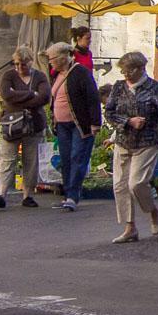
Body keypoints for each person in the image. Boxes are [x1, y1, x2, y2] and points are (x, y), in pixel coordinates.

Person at [104, 51, 158, 243]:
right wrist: (128, 121)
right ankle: (130, 227)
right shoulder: (118, 88)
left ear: (141, 68)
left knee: (136, 183)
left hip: (148, 141)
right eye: (123, 71)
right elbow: (109, 113)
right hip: (123, 141)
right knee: (120, 186)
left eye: (129, 71)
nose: (125, 75)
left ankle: (153, 211)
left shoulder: (155, 88)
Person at [0, 46, 51, 210]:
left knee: (31, 161)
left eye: (23, 64)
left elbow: (45, 97)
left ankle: (28, 195)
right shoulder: (8, 75)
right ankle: (2, 194)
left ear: (31, 62)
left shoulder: (40, 76)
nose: (19, 68)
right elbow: (6, 96)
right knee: (8, 159)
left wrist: (18, 97)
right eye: (16, 64)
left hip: (33, 125)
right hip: (11, 124)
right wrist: (31, 95)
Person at [47, 40, 101, 212]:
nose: (50, 62)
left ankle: (73, 196)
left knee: (78, 158)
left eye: (52, 59)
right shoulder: (57, 74)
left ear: (63, 58)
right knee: (66, 159)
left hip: (79, 125)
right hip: (62, 125)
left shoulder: (81, 72)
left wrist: (95, 123)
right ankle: (67, 194)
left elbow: (93, 98)